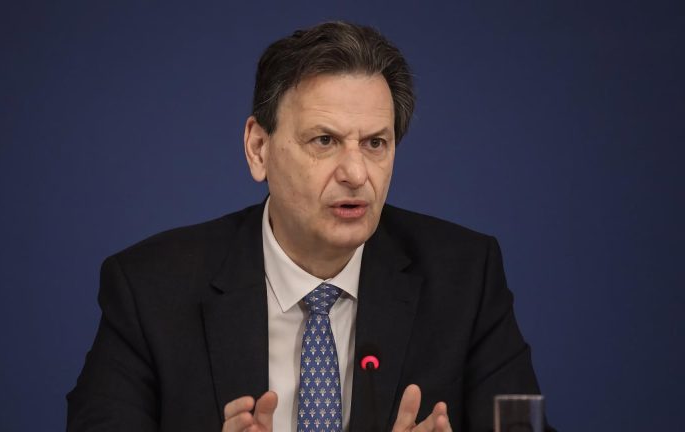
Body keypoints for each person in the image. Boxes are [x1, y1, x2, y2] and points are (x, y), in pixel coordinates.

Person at [67, 21, 551, 432]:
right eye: (324, 140)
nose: (356, 173)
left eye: (376, 144)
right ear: (258, 148)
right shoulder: (150, 289)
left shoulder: (465, 278)